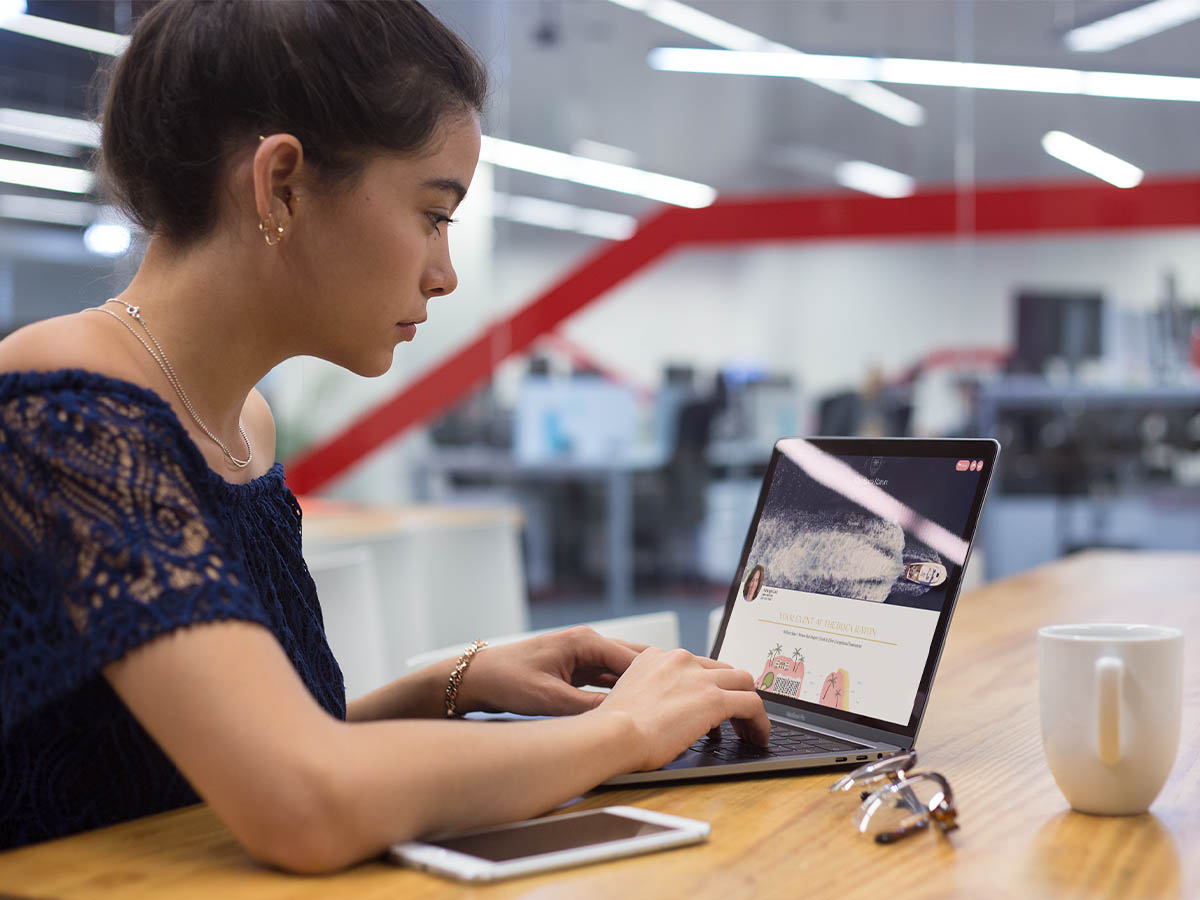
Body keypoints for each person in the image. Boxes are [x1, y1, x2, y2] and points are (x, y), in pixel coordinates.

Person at [0, 0, 768, 871]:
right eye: (433, 216)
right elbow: (302, 800)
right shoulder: (63, 399)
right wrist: (627, 731)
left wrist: (447, 687)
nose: (443, 274)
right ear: (282, 182)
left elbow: (220, 763)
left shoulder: (244, 421)